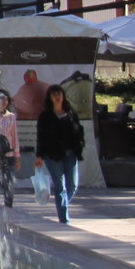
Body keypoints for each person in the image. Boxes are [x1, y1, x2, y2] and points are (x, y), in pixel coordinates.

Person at [34, 85, 86, 225]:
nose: (57, 97)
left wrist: (80, 143)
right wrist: (39, 155)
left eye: (59, 94)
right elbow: (41, 136)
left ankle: (62, 205)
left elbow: (78, 129)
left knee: (72, 185)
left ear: (63, 96)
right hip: (53, 154)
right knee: (59, 185)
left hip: (71, 153)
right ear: (50, 98)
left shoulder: (70, 113)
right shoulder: (45, 115)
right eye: (54, 95)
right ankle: (64, 219)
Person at [0, 92, 21, 207]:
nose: (3, 103)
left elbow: (14, 137)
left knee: (8, 182)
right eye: (0, 100)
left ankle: (9, 206)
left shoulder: (11, 117)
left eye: (5, 100)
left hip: (8, 154)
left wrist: (17, 156)